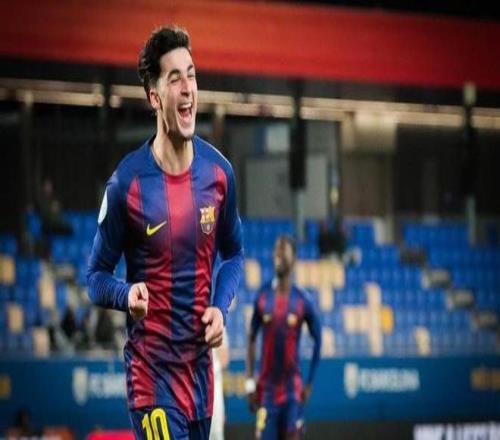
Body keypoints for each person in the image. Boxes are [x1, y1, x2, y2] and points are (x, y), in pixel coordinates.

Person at [87, 25, 243, 440]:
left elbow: (234, 254)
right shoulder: (127, 183)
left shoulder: (219, 174)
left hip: (201, 378)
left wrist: (220, 308)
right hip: (151, 375)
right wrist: (126, 295)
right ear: (155, 97)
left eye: (191, 74)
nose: (188, 87)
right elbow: (95, 277)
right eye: (175, 78)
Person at [246, 236, 322, 440]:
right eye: (276, 250)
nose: (278, 254)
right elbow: (251, 337)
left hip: (292, 392)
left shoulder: (303, 300)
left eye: (283, 251)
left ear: (294, 258)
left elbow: (318, 339)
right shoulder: (262, 296)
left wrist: (309, 383)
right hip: (266, 392)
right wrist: (250, 383)